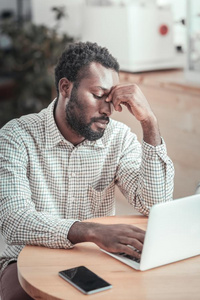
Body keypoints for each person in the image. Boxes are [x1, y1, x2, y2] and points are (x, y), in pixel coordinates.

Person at [0, 41, 174, 299]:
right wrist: (91, 231)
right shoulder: (16, 136)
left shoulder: (118, 138)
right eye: (98, 95)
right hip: (27, 260)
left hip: (96, 257)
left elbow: (155, 203)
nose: (108, 110)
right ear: (66, 87)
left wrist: (149, 122)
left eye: (112, 99)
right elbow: (14, 221)